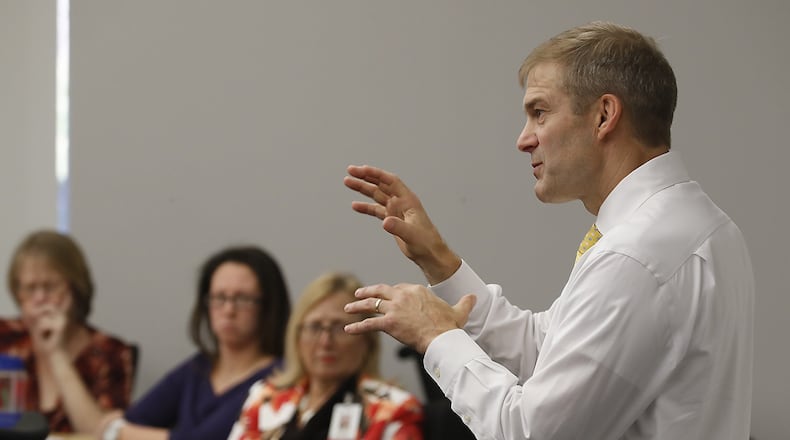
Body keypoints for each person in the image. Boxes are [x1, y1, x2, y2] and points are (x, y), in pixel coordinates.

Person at [342, 21, 754, 440]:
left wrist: (436, 335)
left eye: (539, 112)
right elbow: (548, 351)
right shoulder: (696, 224)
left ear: (604, 116)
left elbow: (529, 433)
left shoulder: (637, 255)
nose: (524, 140)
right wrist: (440, 263)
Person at [95, 245, 291, 440]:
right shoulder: (199, 367)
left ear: (268, 306)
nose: (229, 310)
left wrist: (121, 432)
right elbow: (134, 418)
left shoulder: (280, 376)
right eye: (220, 298)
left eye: (243, 299)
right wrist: (121, 429)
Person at [228, 272, 423, 440]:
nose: (325, 342)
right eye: (315, 327)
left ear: (366, 340)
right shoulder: (264, 399)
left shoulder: (393, 408)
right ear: (296, 336)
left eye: (339, 328)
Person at [0, 229, 136, 433]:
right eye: (29, 288)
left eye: (50, 287)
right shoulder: (5, 336)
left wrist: (56, 353)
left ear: (75, 288)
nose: (39, 299)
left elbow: (106, 435)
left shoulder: (110, 351)